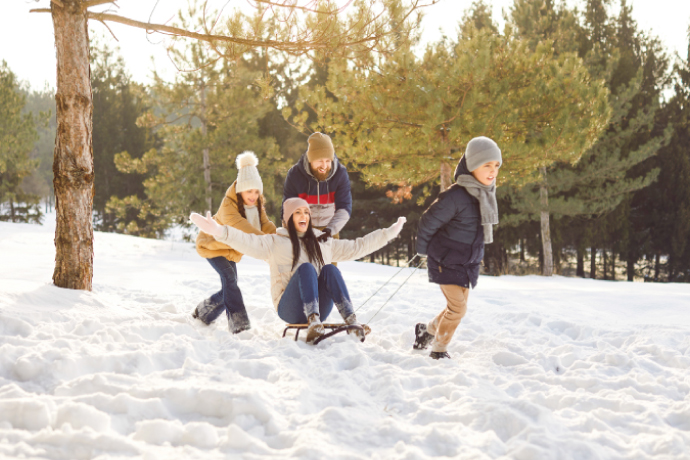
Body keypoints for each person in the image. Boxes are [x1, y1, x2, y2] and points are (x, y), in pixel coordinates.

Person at [190, 197, 406, 344]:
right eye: (297, 212)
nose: (303, 215)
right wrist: (219, 231)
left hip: (322, 306)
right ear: (288, 218)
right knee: (305, 269)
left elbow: (358, 246)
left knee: (330, 269)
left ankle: (351, 320)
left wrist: (388, 233)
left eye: (306, 212)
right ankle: (312, 320)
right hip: (289, 307)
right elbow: (246, 241)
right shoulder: (275, 242)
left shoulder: (323, 242)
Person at [410, 136, 502, 359]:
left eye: (496, 165)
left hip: (467, 261)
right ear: (471, 166)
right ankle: (438, 351)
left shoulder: (485, 194)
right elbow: (428, 221)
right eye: (486, 165)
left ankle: (426, 330)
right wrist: (422, 249)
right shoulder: (455, 196)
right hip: (445, 259)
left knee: (454, 310)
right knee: (458, 309)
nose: (493, 171)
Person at [193, 151, 276, 334]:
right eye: (249, 191)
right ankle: (239, 323)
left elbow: (265, 224)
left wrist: (279, 239)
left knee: (229, 287)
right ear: (240, 189)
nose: (253, 195)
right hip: (213, 245)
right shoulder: (228, 206)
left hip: (231, 250)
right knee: (230, 280)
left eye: (256, 191)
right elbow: (244, 228)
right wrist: (267, 245)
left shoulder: (256, 205)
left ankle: (204, 312)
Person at [282, 132, 352, 243]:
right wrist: (292, 231)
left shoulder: (340, 174)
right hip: (303, 229)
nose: (324, 166)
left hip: (330, 228)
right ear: (310, 159)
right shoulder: (295, 175)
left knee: (329, 260)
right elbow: (288, 206)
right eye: (320, 160)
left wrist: (329, 230)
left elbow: (344, 207)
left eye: (328, 161)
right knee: (304, 260)